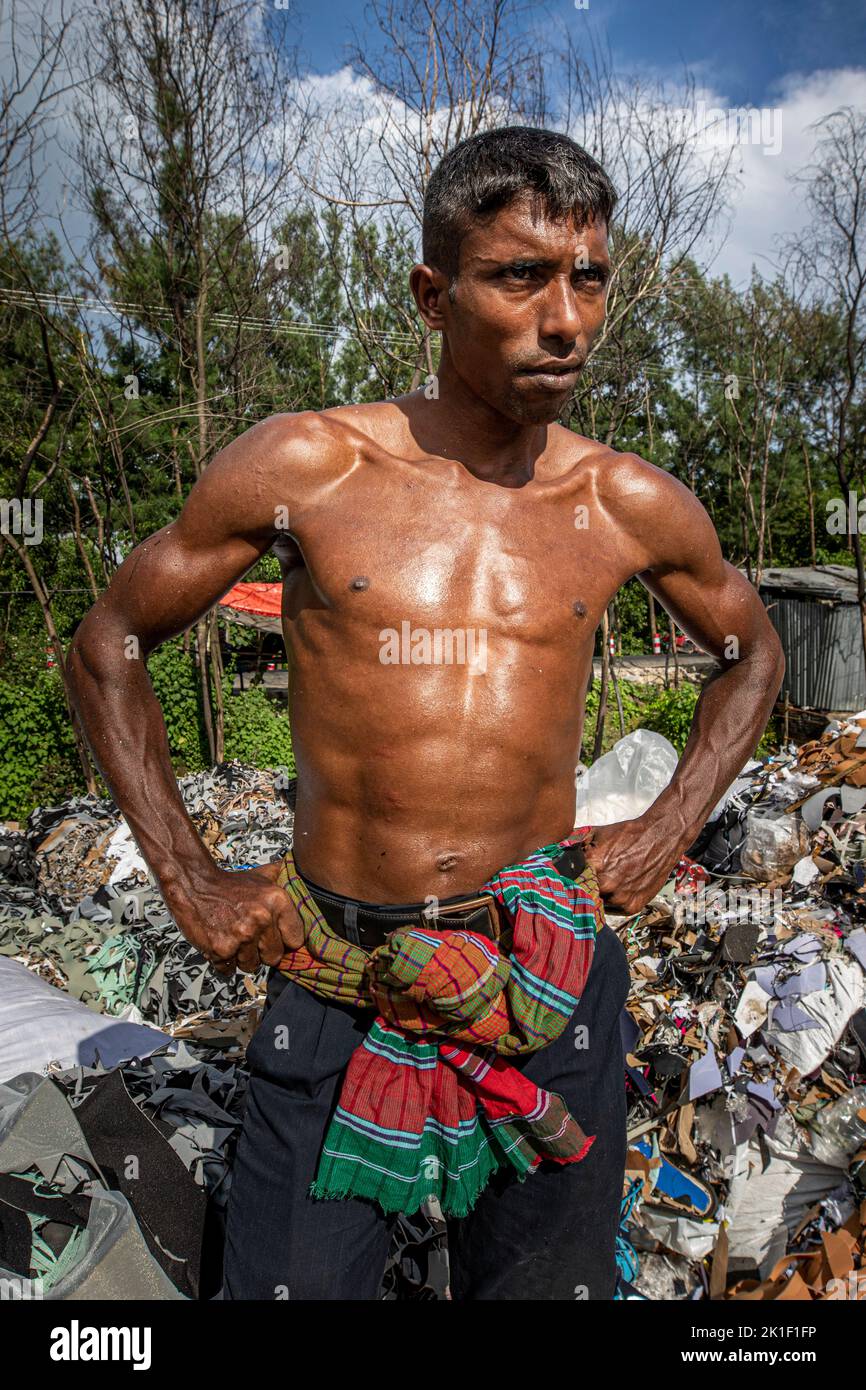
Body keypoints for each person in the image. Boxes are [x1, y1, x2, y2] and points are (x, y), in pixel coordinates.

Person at [67, 125, 784, 1301]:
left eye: (587, 278)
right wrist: (191, 878)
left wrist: (665, 825)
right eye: (517, 277)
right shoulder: (308, 467)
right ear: (431, 294)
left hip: (542, 973)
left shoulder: (623, 501)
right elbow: (109, 642)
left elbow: (748, 651)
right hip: (339, 970)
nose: (565, 318)